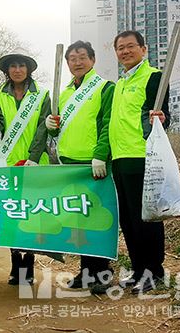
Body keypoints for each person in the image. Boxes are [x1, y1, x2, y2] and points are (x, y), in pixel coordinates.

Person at [45, 41, 115, 294]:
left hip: (93, 164)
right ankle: (87, 271)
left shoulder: (105, 88)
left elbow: (108, 123)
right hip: (69, 163)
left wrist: (100, 155)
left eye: (82, 57)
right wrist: (52, 125)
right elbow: (59, 126)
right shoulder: (64, 93)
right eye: (72, 59)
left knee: (97, 219)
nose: (77, 62)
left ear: (93, 60)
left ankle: (102, 271)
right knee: (79, 220)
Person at [0, 52, 51, 285]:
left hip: (35, 162)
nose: (17, 70)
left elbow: (43, 127)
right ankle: (14, 264)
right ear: (7, 71)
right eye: (13, 66)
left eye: (22, 66)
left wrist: (34, 157)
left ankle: (27, 267)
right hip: (8, 163)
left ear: (28, 69)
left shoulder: (42, 95)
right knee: (11, 213)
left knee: (29, 213)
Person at [109, 30, 170, 294]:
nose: (125, 51)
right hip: (119, 159)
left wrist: (162, 117)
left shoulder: (153, 77)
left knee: (146, 217)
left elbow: (164, 114)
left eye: (130, 46)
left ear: (143, 49)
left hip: (141, 157)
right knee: (128, 219)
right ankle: (137, 270)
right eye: (120, 48)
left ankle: (154, 272)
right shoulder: (120, 83)